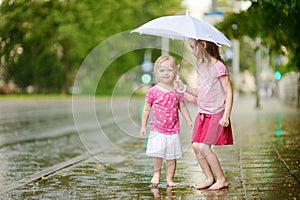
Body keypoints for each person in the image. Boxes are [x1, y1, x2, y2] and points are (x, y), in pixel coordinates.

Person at [174, 39, 233, 190]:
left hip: (216, 113)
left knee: (204, 148)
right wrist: (183, 87)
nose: (192, 52)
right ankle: (209, 177)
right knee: (195, 146)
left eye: (193, 48)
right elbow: (200, 93)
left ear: (204, 45)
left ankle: (221, 179)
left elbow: (228, 91)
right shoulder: (201, 66)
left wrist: (226, 115)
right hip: (203, 113)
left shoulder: (218, 66)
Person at [140, 55, 193, 187]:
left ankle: (169, 178)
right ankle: (156, 173)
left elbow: (182, 106)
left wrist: (189, 120)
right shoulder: (153, 91)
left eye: (169, 70)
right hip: (157, 129)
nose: (165, 73)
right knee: (157, 154)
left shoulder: (177, 91)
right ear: (156, 73)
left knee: (171, 156)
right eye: (162, 70)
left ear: (175, 72)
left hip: (173, 129)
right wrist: (143, 125)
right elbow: (146, 109)